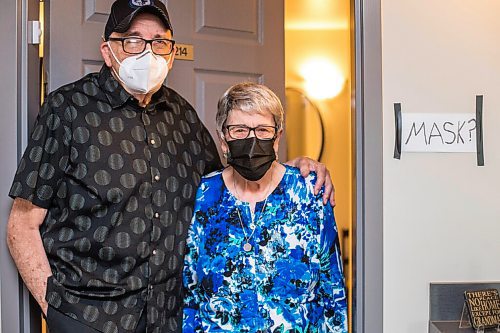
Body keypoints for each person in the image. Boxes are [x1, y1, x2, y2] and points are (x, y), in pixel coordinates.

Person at [5, 1, 335, 333]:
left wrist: (292, 169)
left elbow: (230, 184)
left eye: (159, 42)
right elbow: (21, 225)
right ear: (108, 51)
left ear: (171, 52)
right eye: (133, 40)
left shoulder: (183, 117)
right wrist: (56, 310)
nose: (147, 53)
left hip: (168, 317)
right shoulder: (67, 110)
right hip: (89, 317)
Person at [183, 82, 347, 332]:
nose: (252, 140)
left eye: (263, 130)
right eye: (239, 130)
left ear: (277, 137)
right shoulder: (202, 194)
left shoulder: (309, 191)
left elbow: (332, 291)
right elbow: (189, 294)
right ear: (223, 139)